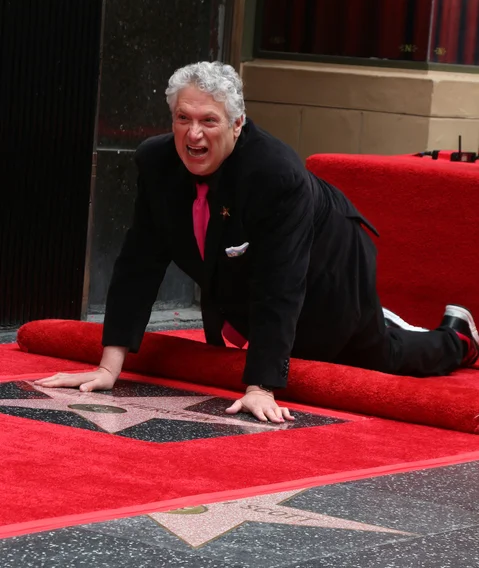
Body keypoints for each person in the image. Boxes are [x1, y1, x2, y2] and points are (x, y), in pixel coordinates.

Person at [36, 61, 479, 423]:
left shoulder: (274, 173)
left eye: (209, 121)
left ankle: (457, 340)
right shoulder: (155, 163)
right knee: (299, 350)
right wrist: (108, 368)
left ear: (237, 123)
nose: (194, 135)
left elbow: (281, 281)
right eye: (183, 120)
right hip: (252, 271)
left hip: (330, 262)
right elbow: (139, 263)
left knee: (375, 357)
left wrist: (259, 387)